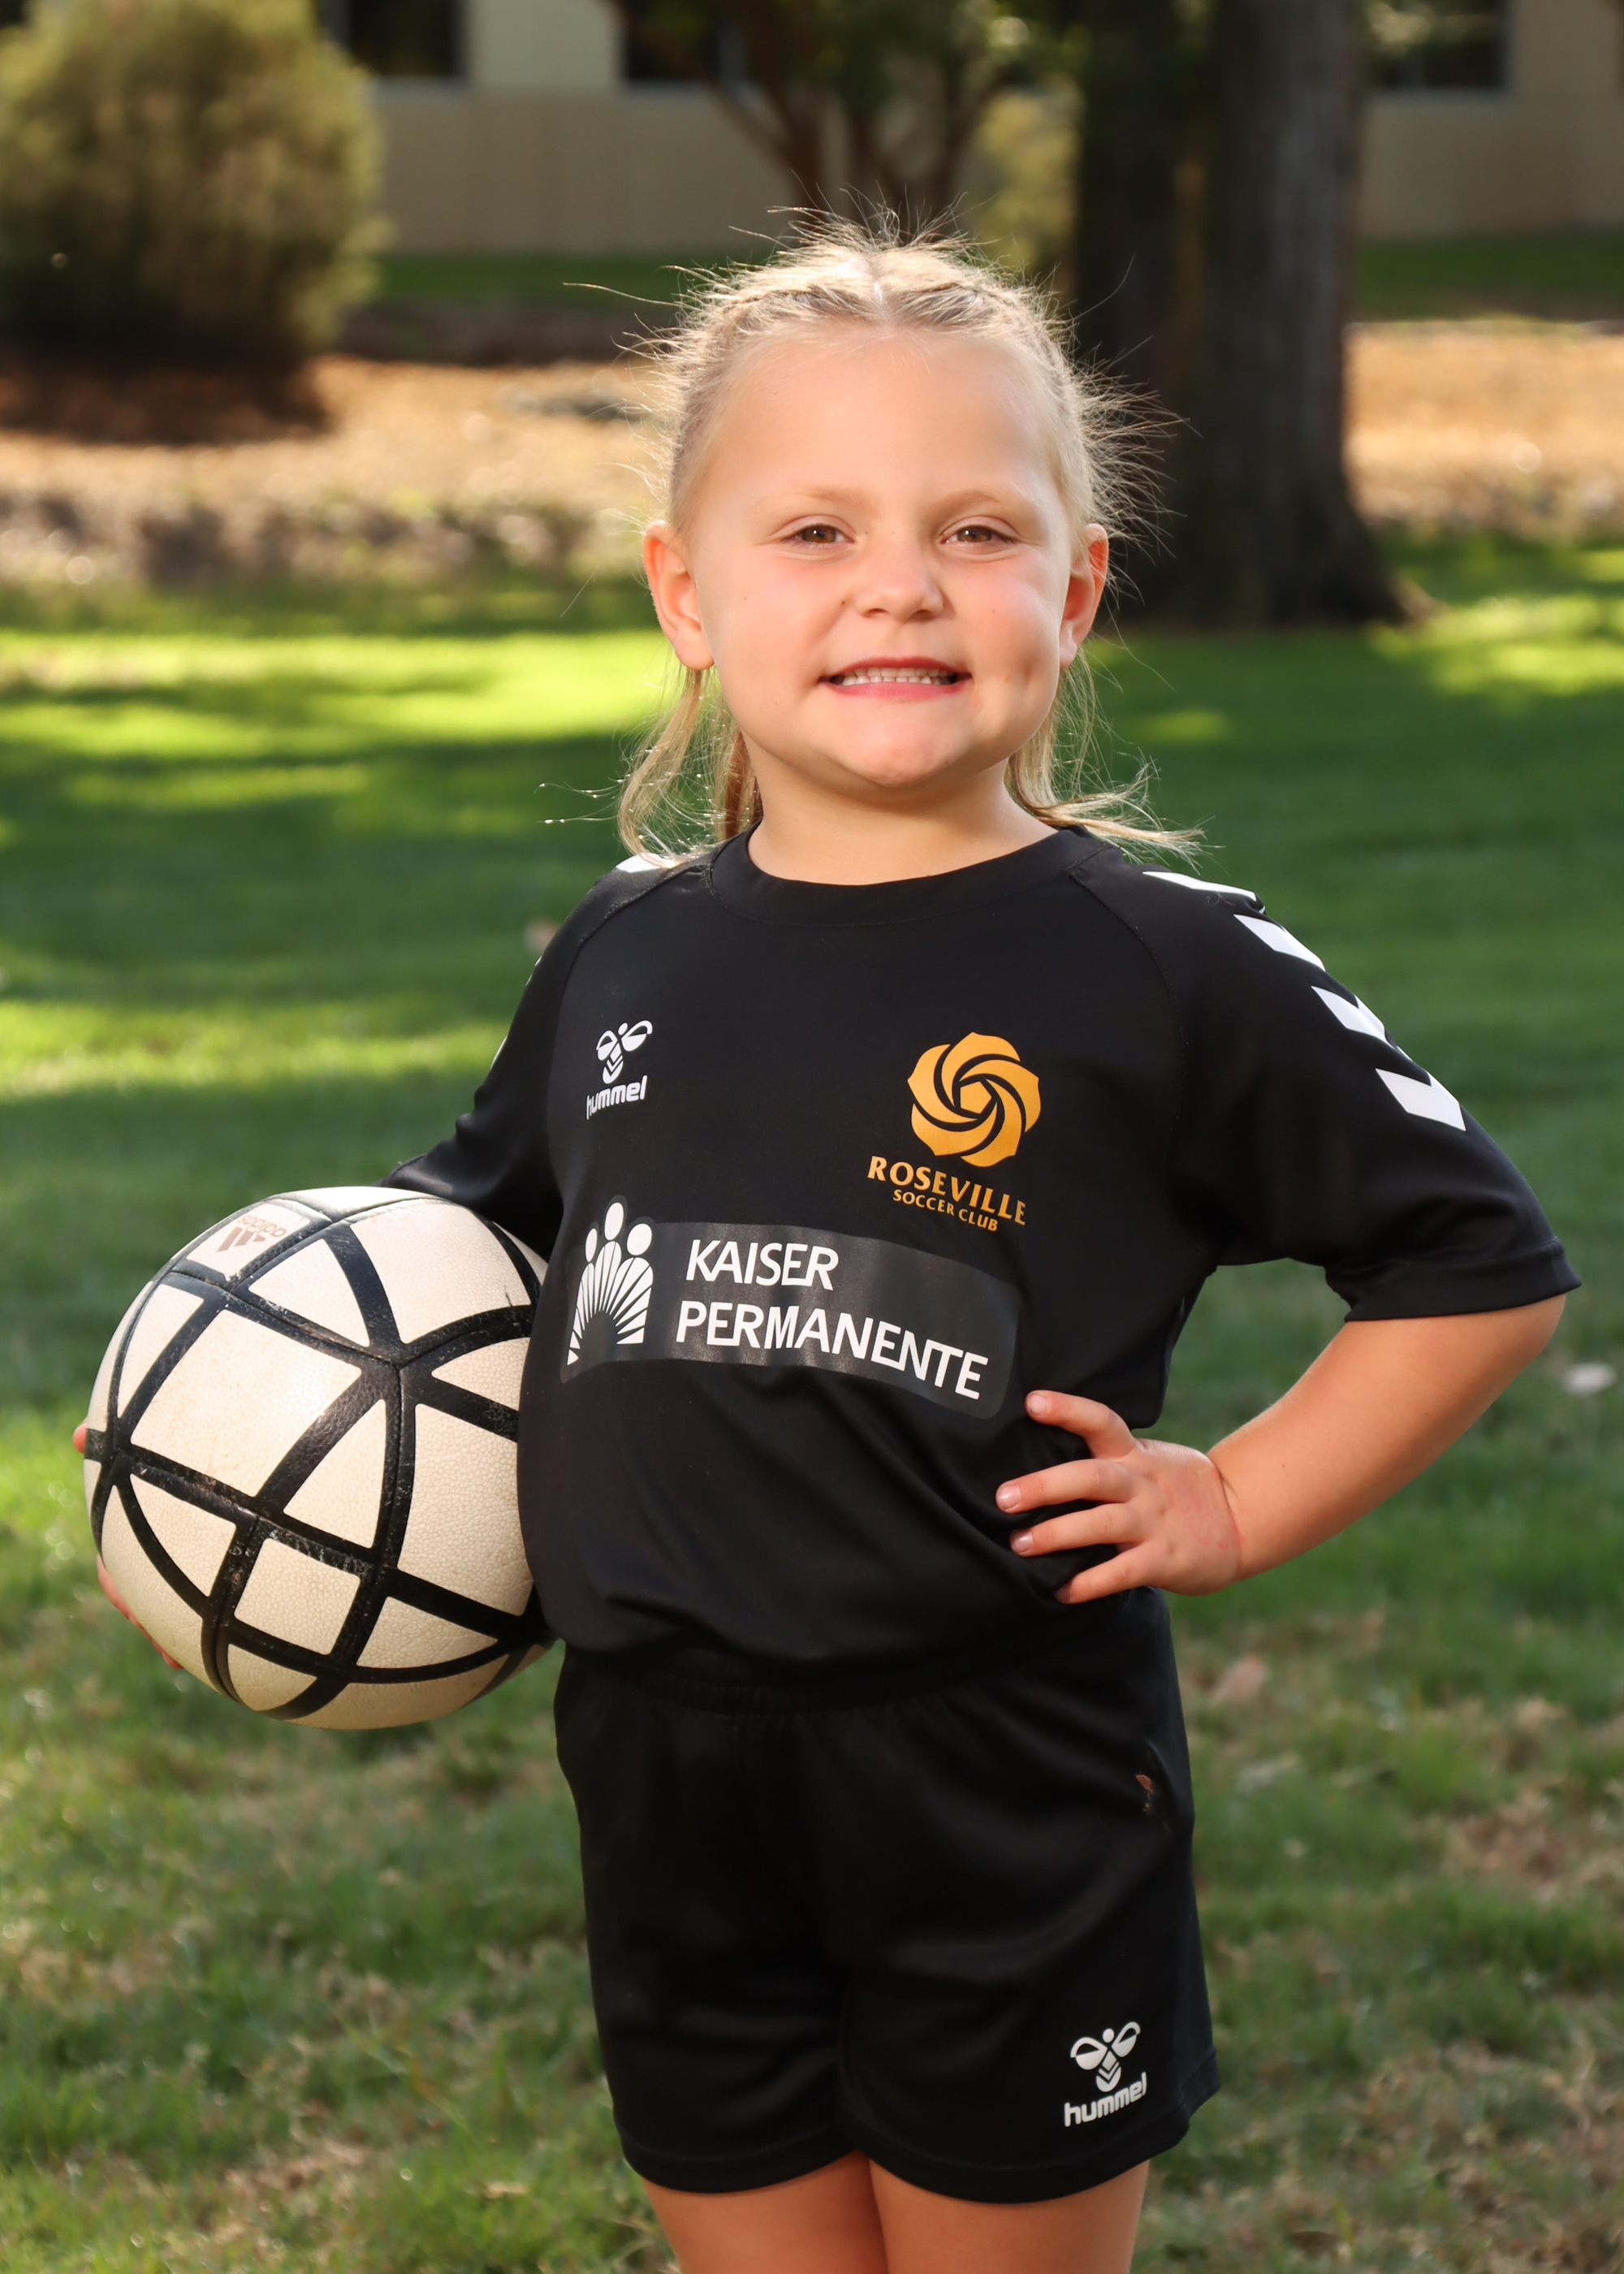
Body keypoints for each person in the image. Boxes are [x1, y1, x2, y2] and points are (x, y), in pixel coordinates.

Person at [89, 223, 1578, 2274]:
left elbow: (1475, 1263)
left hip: (997, 1776)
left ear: (1074, 591)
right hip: (660, 1775)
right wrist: (197, 1408)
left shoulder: (1165, 967)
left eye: (975, 529)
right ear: (685, 595)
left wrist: (1233, 1494)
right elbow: (456, 1229)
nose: (898, 583)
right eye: (815, 529)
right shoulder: (626, 943)